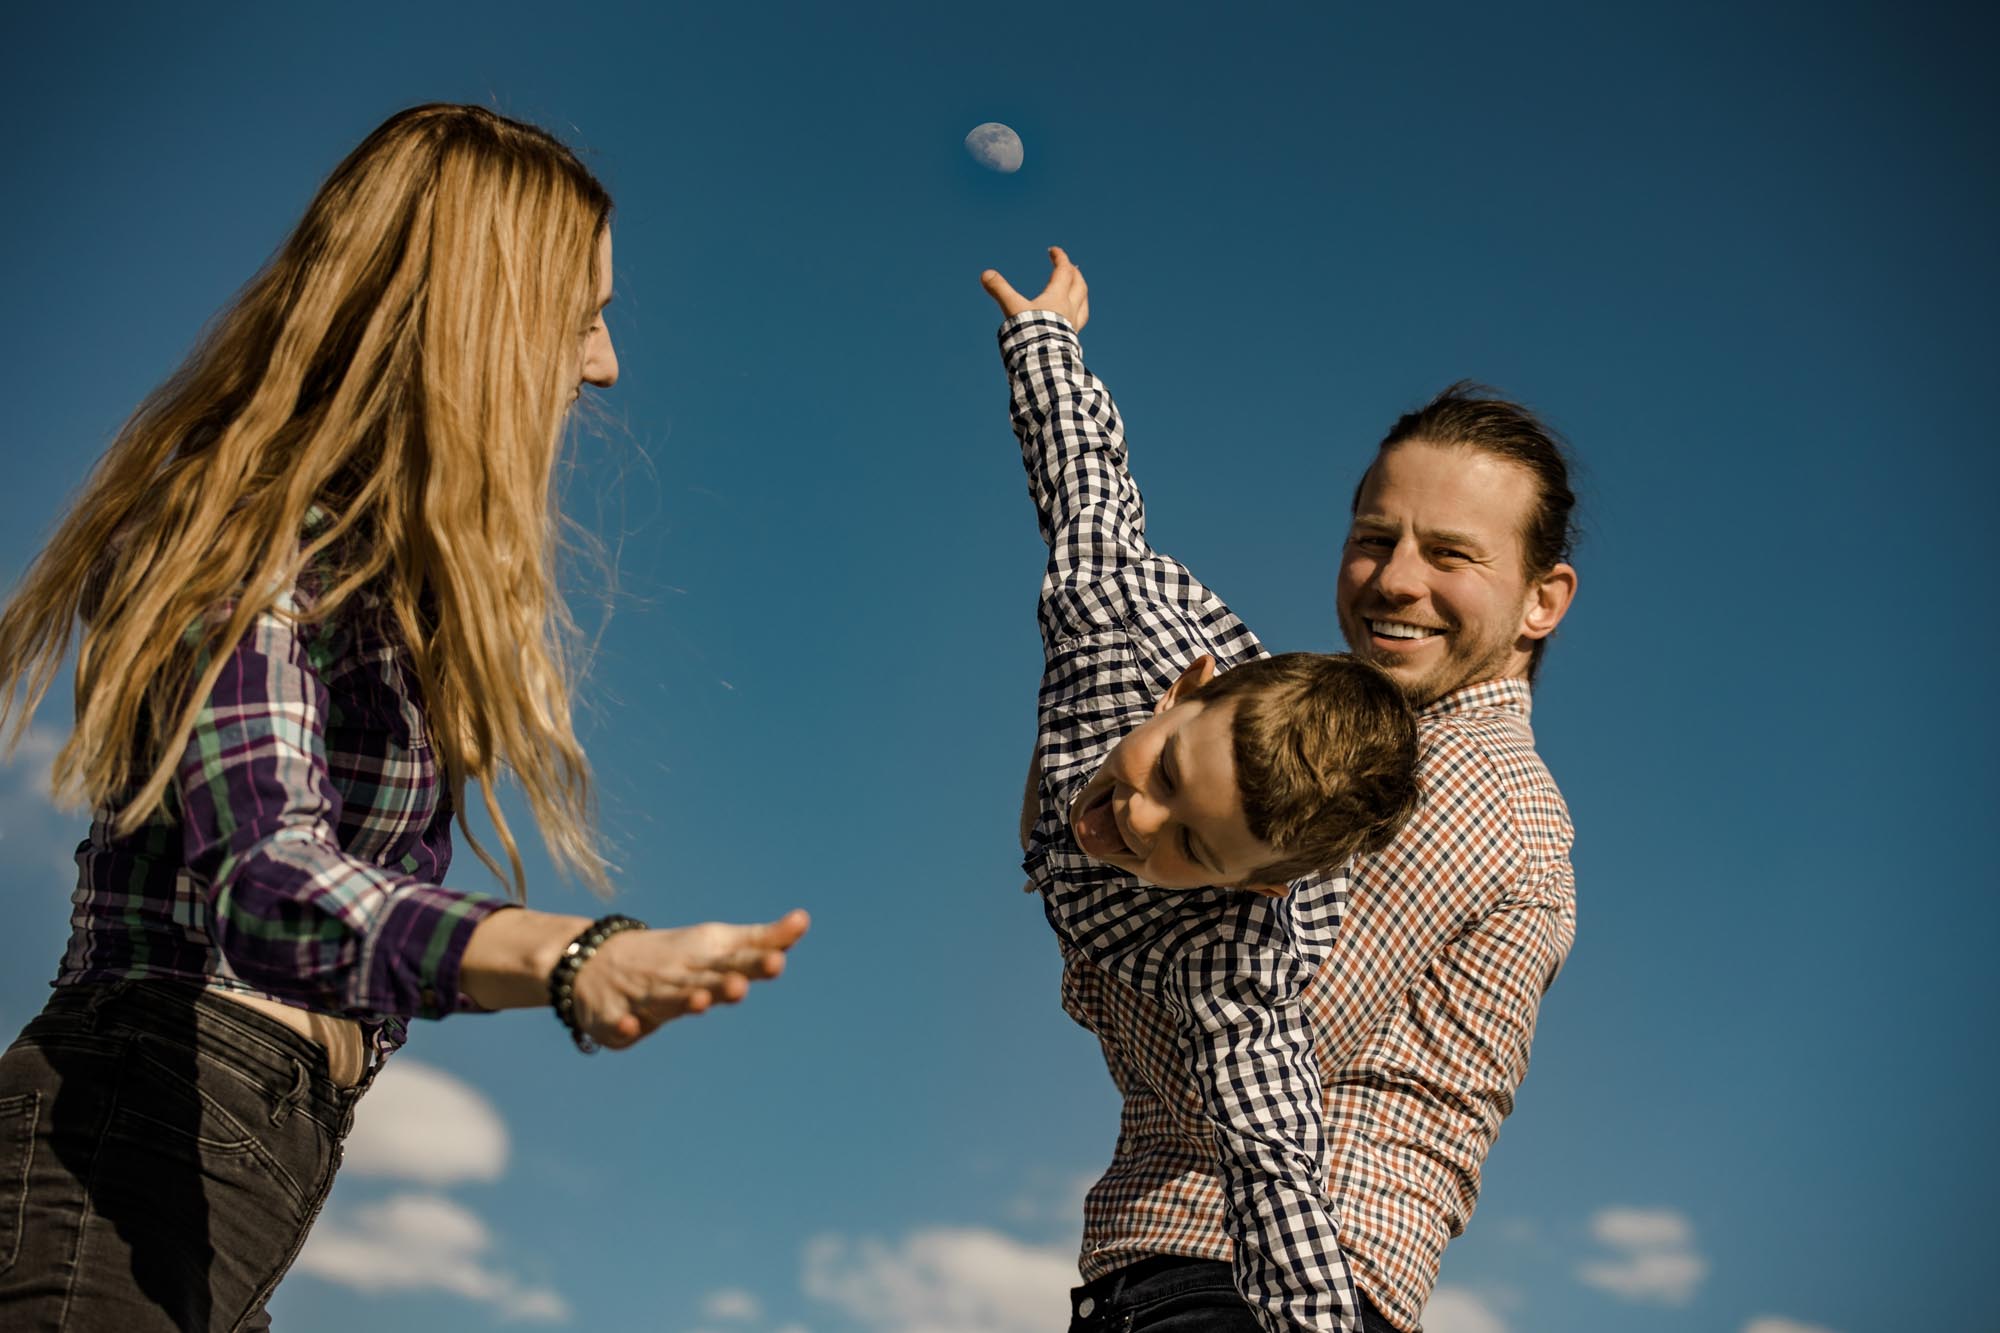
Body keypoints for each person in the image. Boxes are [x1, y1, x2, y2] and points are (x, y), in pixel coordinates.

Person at [0, 104, 809, 1331]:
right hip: (133, 1135)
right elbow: (265, 885)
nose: (603, 365)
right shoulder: (242, 530)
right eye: (580, 314)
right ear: (476, 315)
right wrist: (572, 954)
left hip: (227, 1172)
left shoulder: (368, 574)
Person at [991, 252, 1580, 1333]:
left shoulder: (1456, 781)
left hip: (1251, 1285)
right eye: (1374, 539)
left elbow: (1241, 1055)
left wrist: (1069, 854)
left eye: (1450, 554)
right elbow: (1086, 503)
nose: (1395, 579)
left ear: (1542, 600)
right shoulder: (1304, 732)